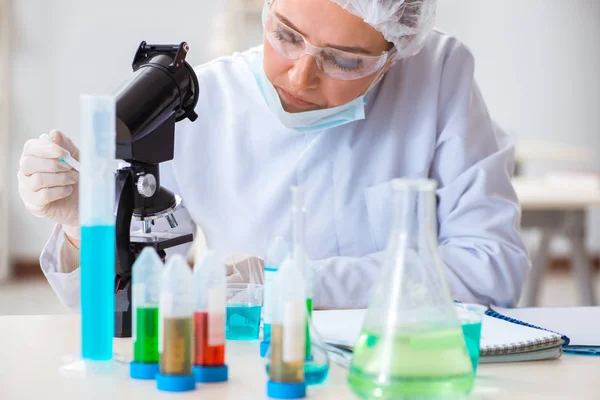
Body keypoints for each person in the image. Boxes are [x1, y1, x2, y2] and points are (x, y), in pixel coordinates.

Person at [17, 0, 529, 312]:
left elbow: (491, 271)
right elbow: (131, 301)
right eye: (286, 35)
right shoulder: (203, 101)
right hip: (252, 368)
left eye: (345, 60)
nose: (301, 76)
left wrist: (292, 283)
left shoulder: (437, 77)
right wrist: (87, 228)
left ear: (396, 51)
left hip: (401, 362)